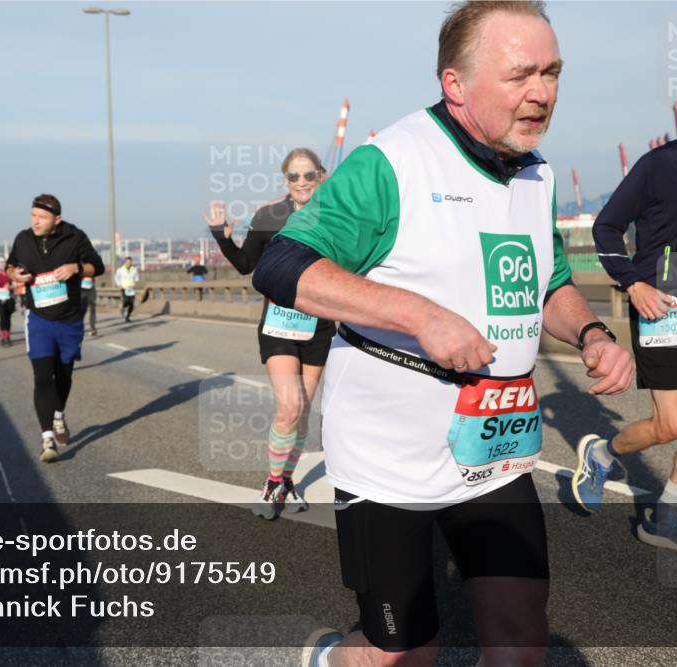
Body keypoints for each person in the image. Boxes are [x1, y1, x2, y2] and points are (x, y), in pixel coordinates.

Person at [251, 3, 634, 664]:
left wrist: (592, 332)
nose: (542, 93)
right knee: (402, 653)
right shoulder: (393, 163)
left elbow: (549, 282)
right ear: (456, 84)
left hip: (496, 446)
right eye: (520, 75)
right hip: (390, 457)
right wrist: (420, 315)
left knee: (521, 641)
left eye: (552, 73)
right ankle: (329, 656)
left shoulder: (535, 170)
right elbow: (281, 265)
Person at [577, 66, 677, 557]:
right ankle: (603, 452)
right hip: (667, 297)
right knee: (674, 423)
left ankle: (666, 516)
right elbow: (606, 228)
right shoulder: (660, 164)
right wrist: (633, 283)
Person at [204, 147, 334, 520]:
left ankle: (287, 481)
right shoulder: (269, 216)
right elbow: (247, 265)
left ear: (321, 176)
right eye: (294, 176)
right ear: (285, 181)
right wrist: (222, 237)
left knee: (303, 413)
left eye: (309, 175)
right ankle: (272, 482)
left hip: (319, 324)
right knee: (289, 406)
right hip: (278, 322)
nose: (302, 182)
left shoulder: (335, 215)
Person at [6, 194, 105, 462]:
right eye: (33, 216)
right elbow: (10, 266)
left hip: (69, 318)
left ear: (56, 219)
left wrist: (76, 268)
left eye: (42, 217)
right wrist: (14, 274)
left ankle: (59, 414)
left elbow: (98, 266)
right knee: (42, 375)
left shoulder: (75, 237)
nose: (35, 222)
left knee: (64, 375)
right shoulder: (23, 239)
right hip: (38, 318)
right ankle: (47, 438)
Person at [0, 257, 16, 347]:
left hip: (9, 298)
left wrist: (10, 287)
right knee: (2, 317)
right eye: (0, 262)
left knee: (8, 318)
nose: (2, 264)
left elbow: (15, 284)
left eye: (3, 262)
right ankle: (3, 337)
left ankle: (8, 337)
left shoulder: (9, 272)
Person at [114, 256, 140, 322]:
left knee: (131, 303)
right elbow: (116, 278)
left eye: (130, 261)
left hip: (131, 288)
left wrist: (135, 283)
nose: (129, 263)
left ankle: (127, 316)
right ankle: (122, 307)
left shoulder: (134, 269)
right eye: (127, 261)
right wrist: (119, 285)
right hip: (124, 288)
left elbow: (137, 278)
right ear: (125, 262)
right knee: (126, 301)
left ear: (131, 262)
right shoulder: (120, 270)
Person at [81, 263, 98, 337]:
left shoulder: (92, 264)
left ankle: (93, 328)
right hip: (82, 289)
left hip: (91, 289)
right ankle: (79, 325)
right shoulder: (80, 264)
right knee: (83, 310)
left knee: (93, 308)